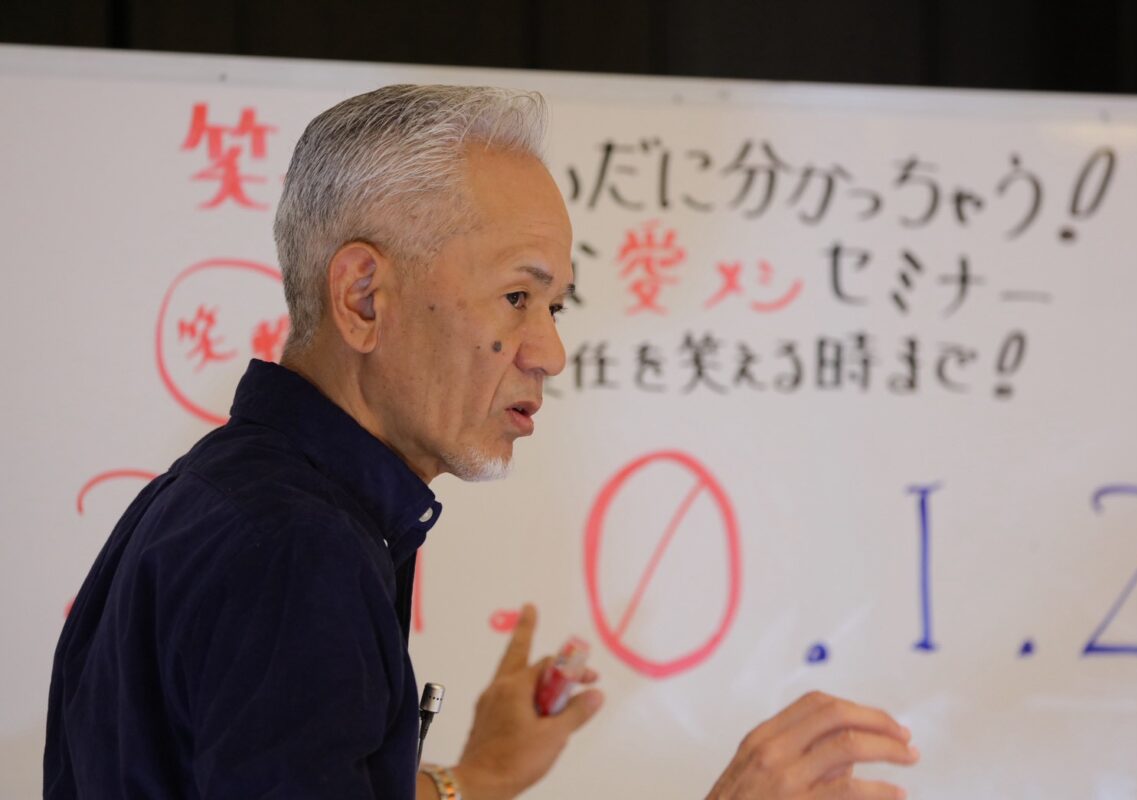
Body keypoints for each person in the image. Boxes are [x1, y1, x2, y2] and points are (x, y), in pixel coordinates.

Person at [45, 84, 919, 799]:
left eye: (555, 305)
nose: (550, 352)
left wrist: (482, 776)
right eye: (517, 298)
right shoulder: (294, 548)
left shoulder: (228, 497)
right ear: (363, 297)